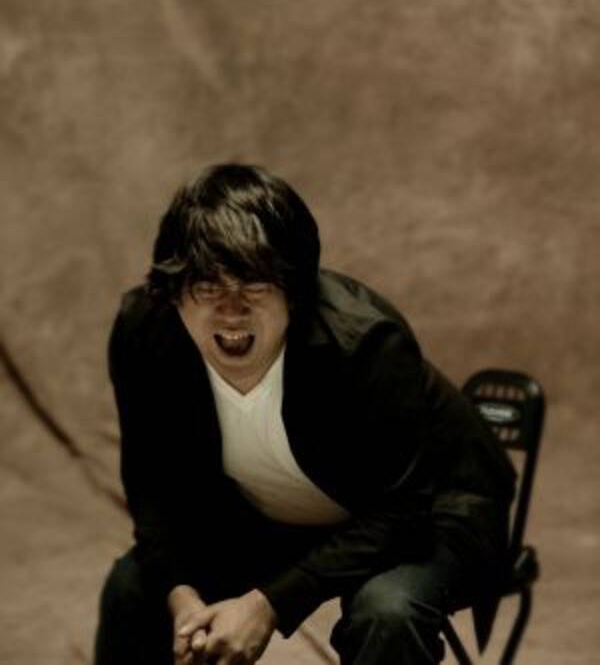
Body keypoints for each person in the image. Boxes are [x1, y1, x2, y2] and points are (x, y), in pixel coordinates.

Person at [94, 163, 515, 665]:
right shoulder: (144, 331)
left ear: (293, 291)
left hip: (432, 509)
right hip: (276, 507)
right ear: (174, 291)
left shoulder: (364, 344)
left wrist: (267, 605)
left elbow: (403, 512)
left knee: (386, 613)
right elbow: (151, 486)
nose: (231, 310)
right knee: (134, 589)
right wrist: (181, 596)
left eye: (254, 285)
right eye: (207, 286)